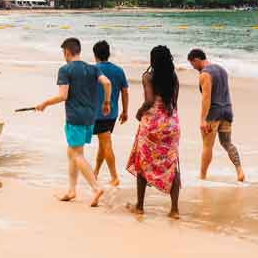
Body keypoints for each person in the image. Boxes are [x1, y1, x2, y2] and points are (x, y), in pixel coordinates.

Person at [34, 37, 112, 207]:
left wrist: (44, 104)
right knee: (72, 153)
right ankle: (71, 190)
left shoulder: (65, 70)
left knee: (77, 154)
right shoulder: (93, 68)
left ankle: (95, 187)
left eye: (63, 53)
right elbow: (107, 82)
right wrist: (106, 102)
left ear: (67, 52)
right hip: (91, 117)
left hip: (75, 117)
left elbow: (63, 96)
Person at [126, 45, 182, 219]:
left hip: (152, 124)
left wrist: (138, 112)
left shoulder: (148, 76)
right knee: (172, 164)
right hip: (171, 124)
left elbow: (149, 100)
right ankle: (174, 210)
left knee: (142, 161)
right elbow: (174, 102)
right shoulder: (174, 78)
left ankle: (140, 206)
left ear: (153, 60)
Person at [187, 48, 245, 183]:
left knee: (207, 146)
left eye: (192, 64)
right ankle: (239, 170)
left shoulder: (205, 74)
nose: (193, 67)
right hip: (227, 110)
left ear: (196, 60)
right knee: (227, 143)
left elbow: (206, 98)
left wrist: (202, 119)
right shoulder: (222, 69)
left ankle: (202, 176)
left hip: (213, 113)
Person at [91, 40, 130, 187]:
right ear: (108, 54)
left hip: (97, 113)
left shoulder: (92, 70)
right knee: (103, 142)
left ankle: (114, 177)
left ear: (95, 55)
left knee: (106, 143)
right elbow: (125, 92)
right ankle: (95, 172)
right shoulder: (119, 70)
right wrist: (125, 111)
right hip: (113, 113)